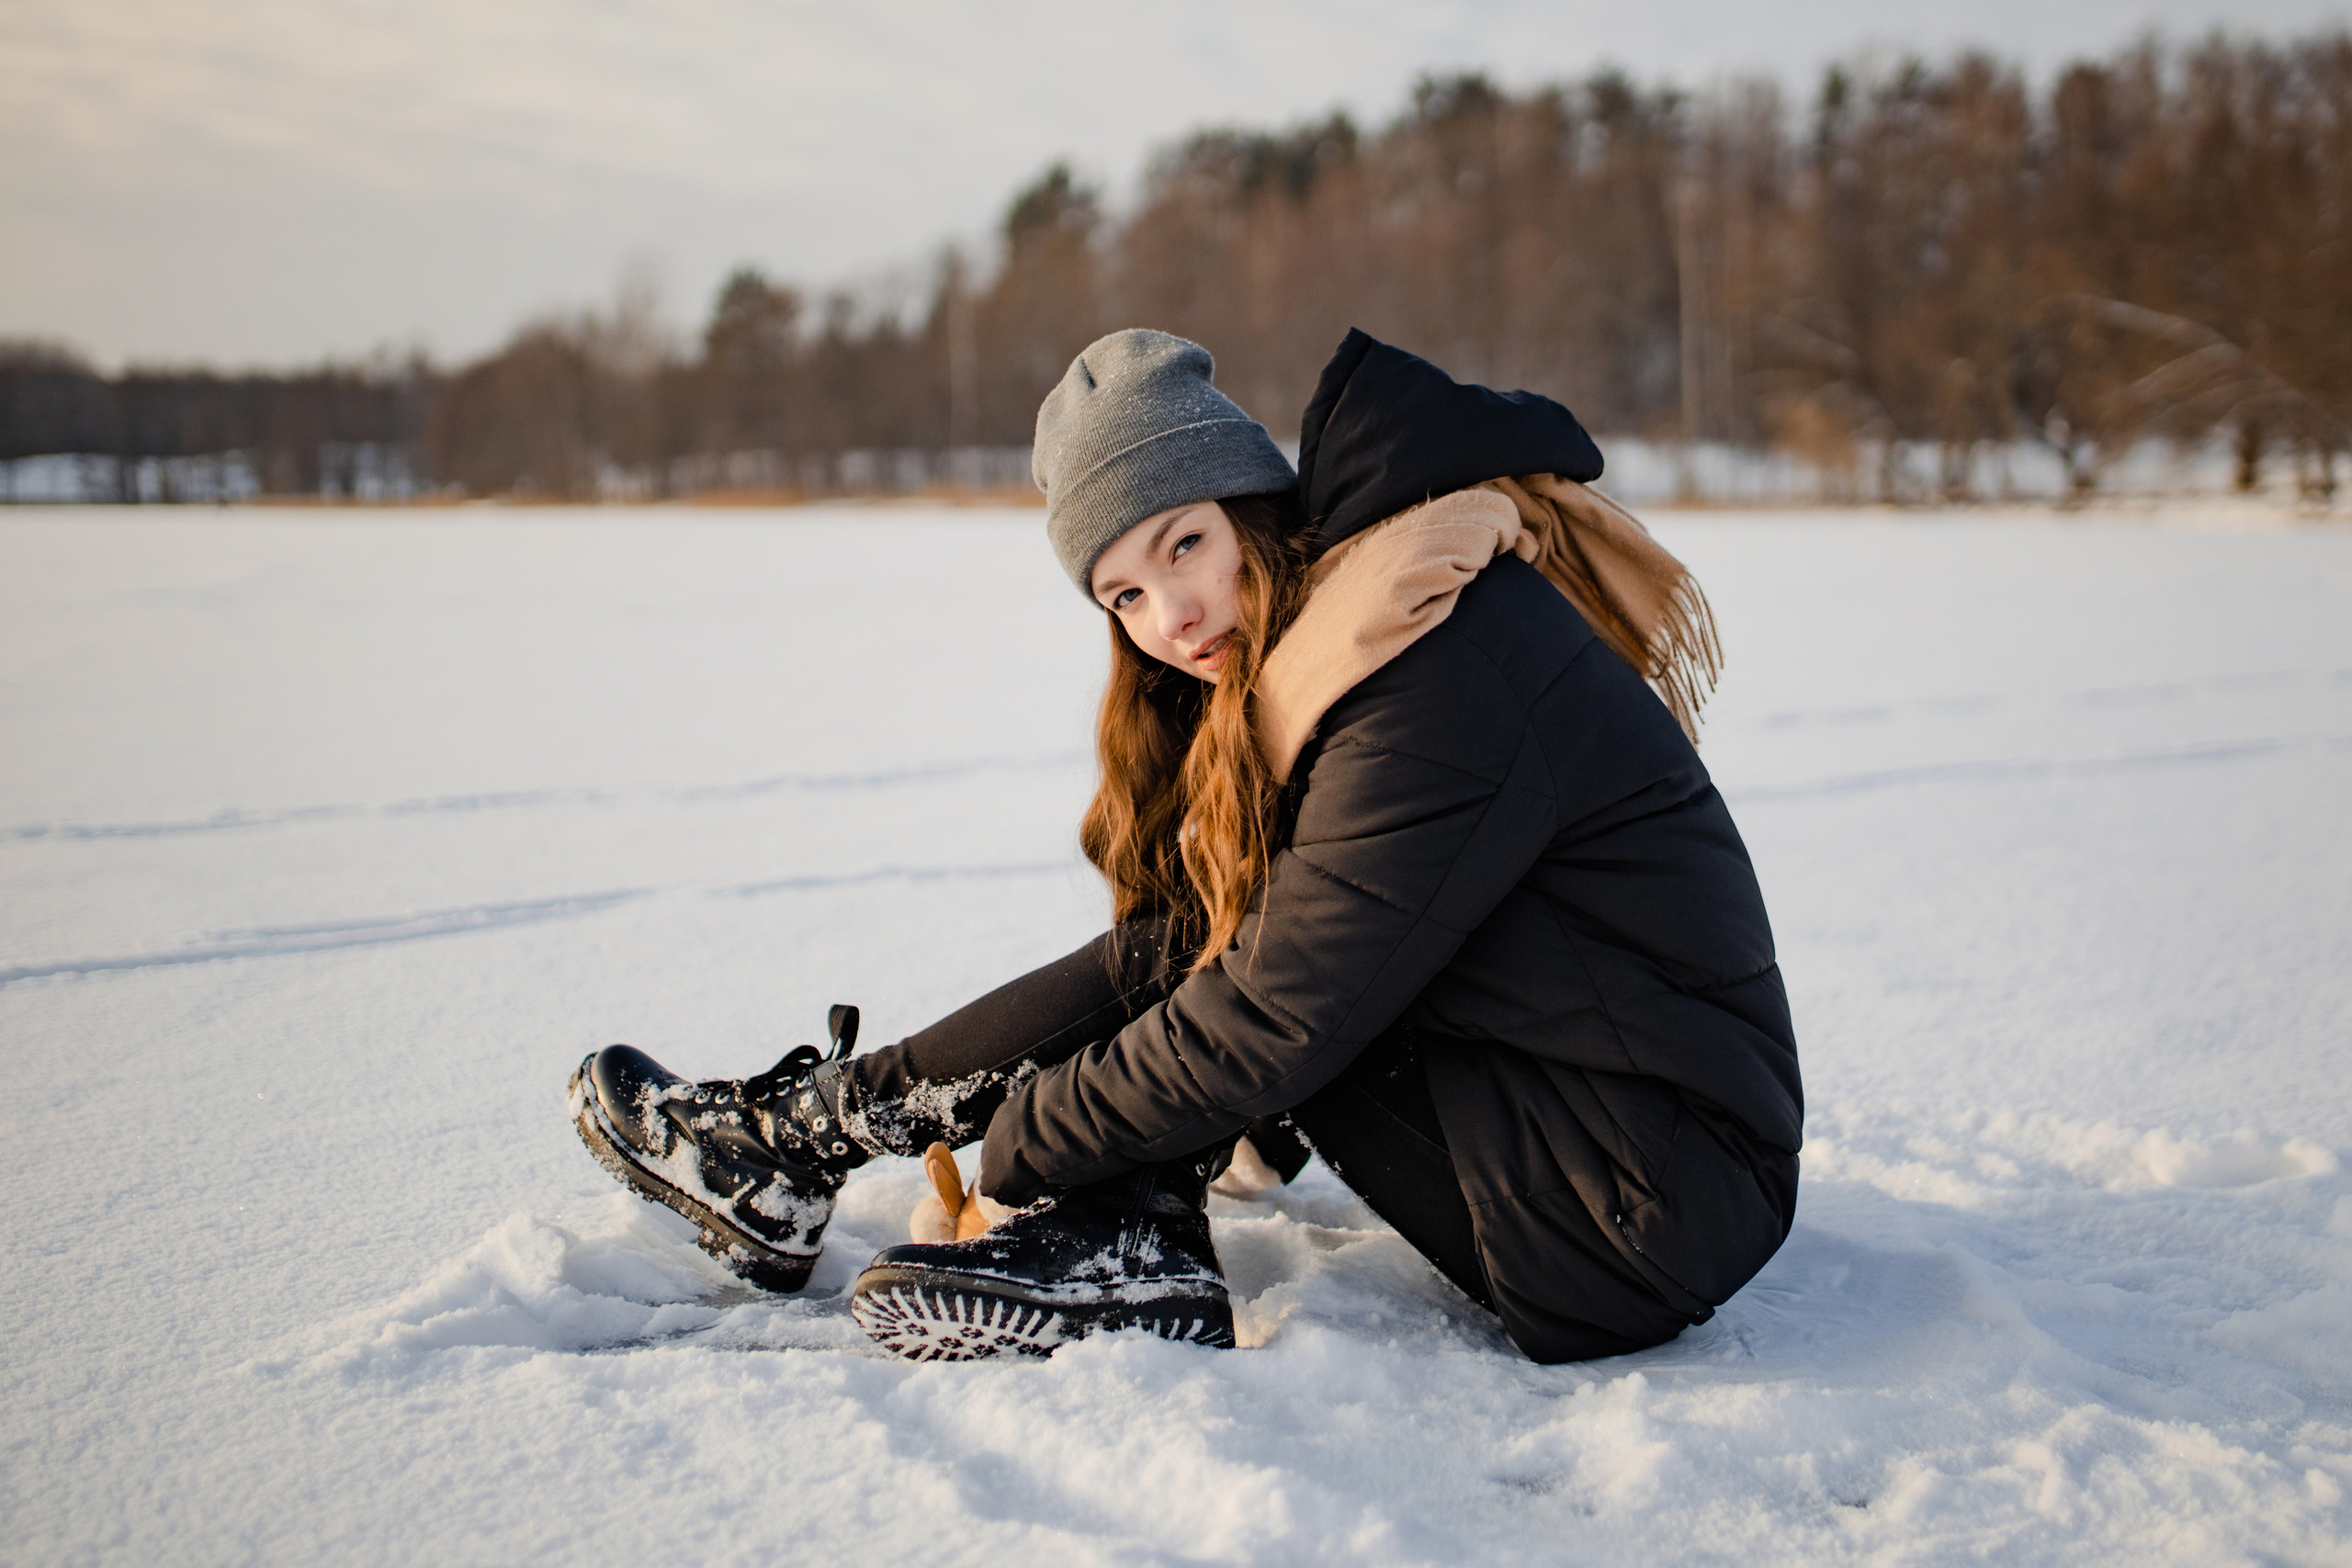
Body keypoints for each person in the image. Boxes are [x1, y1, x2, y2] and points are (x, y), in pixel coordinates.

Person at [569, 328, 1802, 1364]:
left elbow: (1278, 1016)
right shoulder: (1354, 647)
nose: (1175, 616)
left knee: (1224, 979)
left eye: (1185, 545)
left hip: (1645, 1210)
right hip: (1607, 1144)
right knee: (1196, 954)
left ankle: (810, 1147)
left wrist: (1021, 1150)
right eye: (1126, 595)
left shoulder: (1435, 666)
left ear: (1255, 509)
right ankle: (991, 1195)